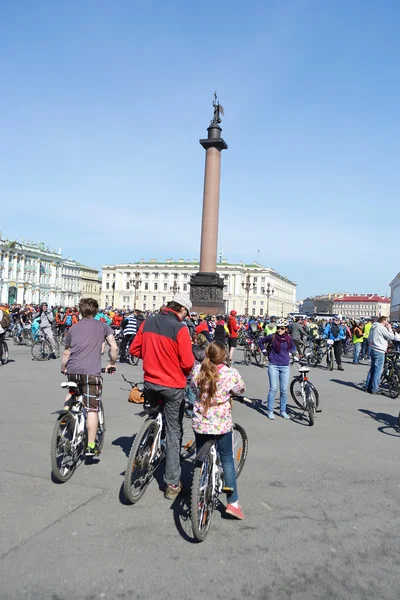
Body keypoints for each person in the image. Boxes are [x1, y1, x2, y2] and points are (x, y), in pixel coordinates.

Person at [130, 293, 194, 500]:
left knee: (155, 413)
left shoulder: (148, 322)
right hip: (172, 386)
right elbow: (187, 363)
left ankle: (148, 443)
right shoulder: (180, 328)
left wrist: (152, 355)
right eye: (187, 313)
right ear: (182, 310)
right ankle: (172, 484)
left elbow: (134, 348)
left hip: (150, 382)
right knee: (174, 431)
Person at [191, 341, 245, 519]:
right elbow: (240, 389)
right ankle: (233, 502)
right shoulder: (230, 373)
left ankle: (199, 484)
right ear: (224, 357)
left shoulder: (198, 370)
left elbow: (193, 388)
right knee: (227, 459)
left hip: (201, 421)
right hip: (221, 423)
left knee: (200, 454)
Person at [61, 298, 118, 455]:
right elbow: (114, 347)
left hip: (73, 370)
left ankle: (65, 416)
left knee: (72, 390)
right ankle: (91, 445)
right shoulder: (103, 326)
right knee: (92, 409)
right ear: (96, 311)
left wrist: (64, 367)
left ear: (80, 311)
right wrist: (112, 363)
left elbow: (66, 352)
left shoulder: (73, 328)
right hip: (91, 372)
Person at [258, 318, 295, 420]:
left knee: (284, 390)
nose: (280, 330)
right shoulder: (272, 337)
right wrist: (264, 351)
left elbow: (293, 347)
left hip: (285, 366)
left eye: (282, 328)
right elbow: (260, 341)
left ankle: (283, 411)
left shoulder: (289, 338)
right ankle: (270, 410)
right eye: (278, 328)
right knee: (273, 388)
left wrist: (292, 352)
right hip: (273, 365)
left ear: (286, 329)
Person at [365, 316, 395, 394]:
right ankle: (375, 388)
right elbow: (391, 337)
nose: (387, 323)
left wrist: (371, 345)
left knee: (372, 369)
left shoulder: (373, 327)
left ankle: (368, 386)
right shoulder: (381, 328)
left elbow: (369, 338)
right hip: (379, 350)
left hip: (373, 349)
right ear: (383, 321)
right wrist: (390, 328)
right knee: (378, 370)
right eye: (386, 321)